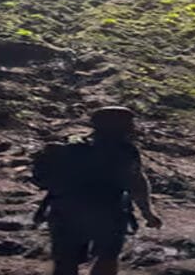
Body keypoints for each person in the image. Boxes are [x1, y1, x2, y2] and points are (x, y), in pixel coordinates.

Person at [34, 106, 163, 275]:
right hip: (109, 212)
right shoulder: (125, 151)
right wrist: (148, 213)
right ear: (120, 126)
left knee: (65, 262)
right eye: (129, 123)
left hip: (64, 209)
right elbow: (136, 183)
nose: (133, 127)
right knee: (107, 259)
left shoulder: (70, 145)